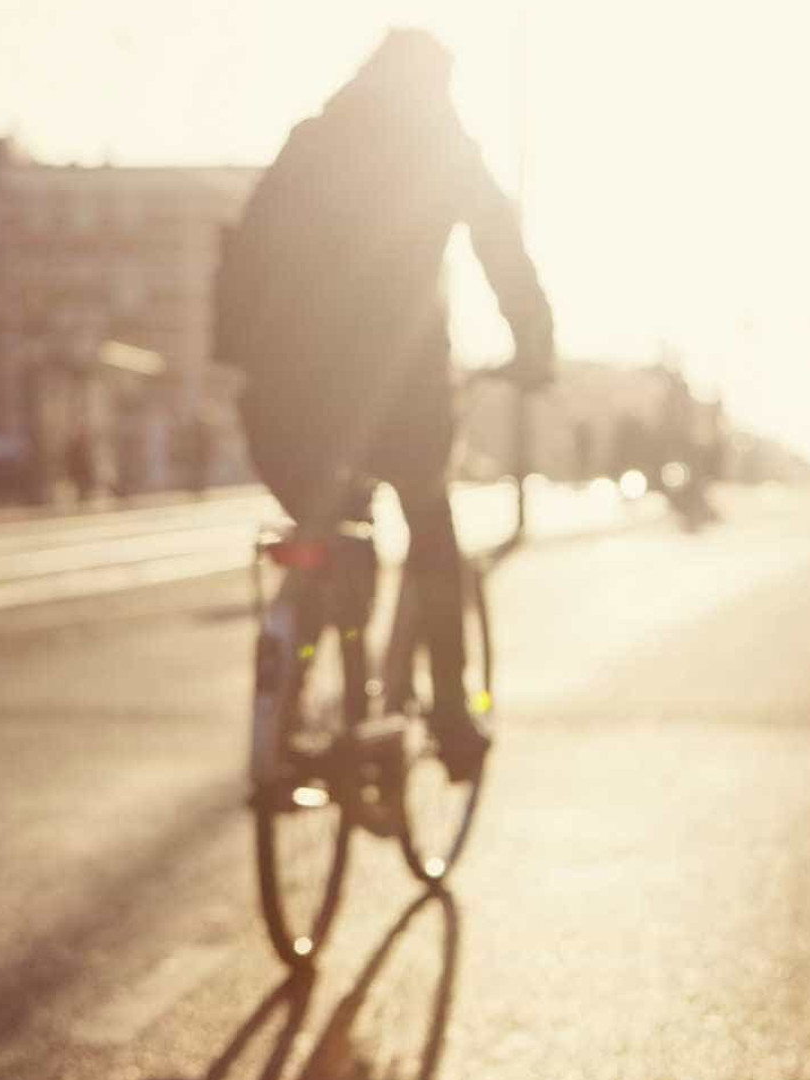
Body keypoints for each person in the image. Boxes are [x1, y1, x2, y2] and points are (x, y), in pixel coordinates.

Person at [215, 29, 554, 780]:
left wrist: (240, 359)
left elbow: (244, 245)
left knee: (323, 529)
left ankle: (294, 700)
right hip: (396, 388)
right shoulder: (443, 147)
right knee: (429, 522)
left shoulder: (311, 140)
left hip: (281, 391)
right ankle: (450, 713)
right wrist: (535, 349)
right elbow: (504, 251)